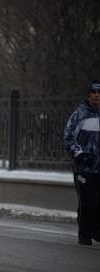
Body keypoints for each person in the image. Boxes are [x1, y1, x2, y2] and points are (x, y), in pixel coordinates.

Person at [64, 80, 100, 245]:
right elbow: (68, 137)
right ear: (89, 94)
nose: (97, 95)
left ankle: (97, 231)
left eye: (99, 92)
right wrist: (80, 154)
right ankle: (85, 234)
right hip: (83, 167)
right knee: (86, 201)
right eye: (94, 92)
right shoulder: (80, 114)